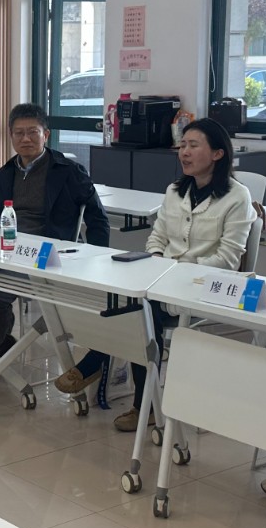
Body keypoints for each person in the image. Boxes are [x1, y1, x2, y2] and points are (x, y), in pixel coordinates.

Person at [63, 119, 253, 431]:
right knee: (120, 295)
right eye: (183, 145)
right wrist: (156, 261)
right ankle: (129, 388)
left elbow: (227, 260)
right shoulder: (175, 191)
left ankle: (132, 395)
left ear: (218, 154)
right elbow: (156, 238)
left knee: (141, 309)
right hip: (163, 279)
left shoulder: (237, 196)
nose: (184, 152)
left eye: (193, 145)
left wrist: (175, 271)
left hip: (203, 286)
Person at [0, 104, 110, 371]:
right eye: (19, 133)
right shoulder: (6, 172)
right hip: (3, 251)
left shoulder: (68, 171)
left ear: (45, 135)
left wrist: (98, 257)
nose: (25, 139)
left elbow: (98, 217)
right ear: (10, 136)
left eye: (32, 132)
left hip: (43, 257)